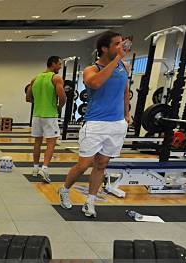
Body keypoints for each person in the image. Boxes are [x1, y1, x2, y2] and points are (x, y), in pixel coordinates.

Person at [59, 31, 131, 218]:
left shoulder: (124, 67)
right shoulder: (92, 70)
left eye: (121, 43)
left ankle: (90, 202)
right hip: (96, 123)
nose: (121, 47)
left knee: (101, 164)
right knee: (84, 164)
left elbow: (125, 91)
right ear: (104, 49)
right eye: (116, 44)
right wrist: (116, 61)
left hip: (116, 124)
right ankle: (65, 190)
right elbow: (96, 84)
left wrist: (126, 114)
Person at [26, 56, 66, 183]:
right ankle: (45, 168)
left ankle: (35, 168)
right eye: (59, 64)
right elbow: (62, 97)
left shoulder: (35, 78)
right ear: (53, 64)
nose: (60, 66)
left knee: (37, 142)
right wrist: (58, 107)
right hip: (49, 115)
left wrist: (38, 103)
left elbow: (28, 98)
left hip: (37, 115)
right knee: (51, 142)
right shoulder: (56, 78)